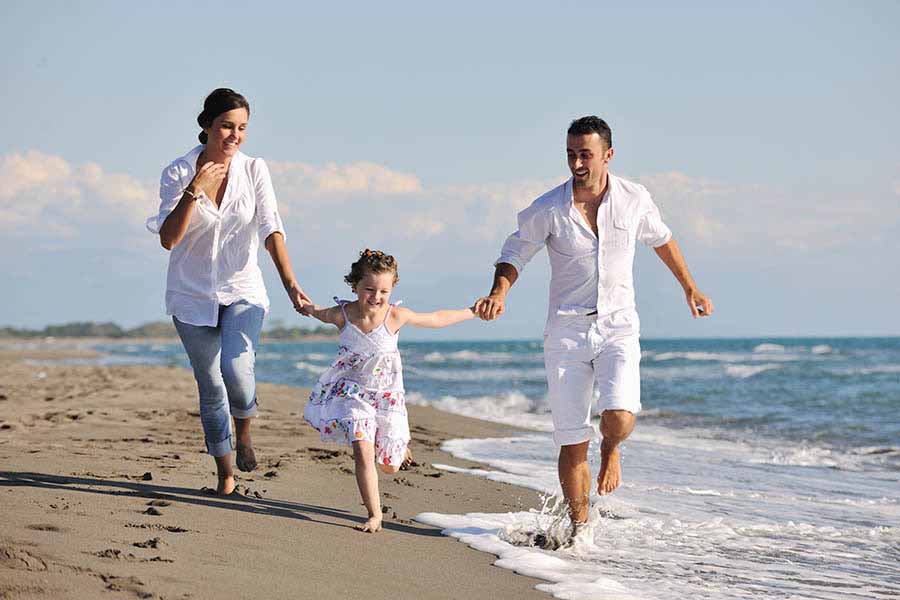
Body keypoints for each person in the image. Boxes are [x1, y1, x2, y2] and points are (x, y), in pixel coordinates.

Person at [474, 116, 713, 533]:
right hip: (566, 332)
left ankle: (613, 447)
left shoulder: (634, 198)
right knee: (570, 439)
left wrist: (690, 288)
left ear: (608, 155)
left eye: (585, 154)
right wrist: (499, 292)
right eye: (571, 154)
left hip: (618, 325)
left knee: (619, 416)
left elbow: (662, 239)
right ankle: (579, 527)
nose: (577, 163)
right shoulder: (549, 208)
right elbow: (515, 250)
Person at [146, 88, 311, 495]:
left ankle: (246, 433)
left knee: (237, 371)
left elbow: (272, 228)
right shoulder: (178, 172)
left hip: (243, 288)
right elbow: (169, 238)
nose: (234, 136)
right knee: (211, 384)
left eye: (242, 128)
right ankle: (225, 475)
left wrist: (291, 284)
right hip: (190, 294)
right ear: (206, 126)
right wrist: (195, 188)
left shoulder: (255, 170)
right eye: (226, 126)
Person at [302, 249, 476, 533]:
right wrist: (308, 308)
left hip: (387, 398)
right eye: (369, 289)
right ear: (355, 285)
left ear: (392, 288)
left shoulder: (396, 315)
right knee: (362, 450)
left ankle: (400, 449)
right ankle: (374, 514)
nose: (376, 296)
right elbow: (320, 313)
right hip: (353, 394)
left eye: (383, 290)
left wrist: (472, 312)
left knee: (390, 466)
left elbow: (437, 318)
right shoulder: (343, 315)